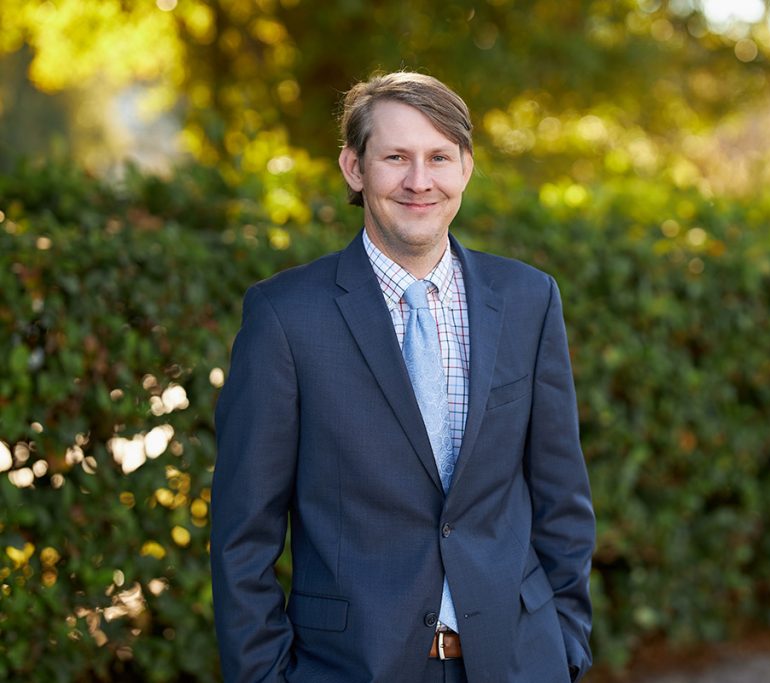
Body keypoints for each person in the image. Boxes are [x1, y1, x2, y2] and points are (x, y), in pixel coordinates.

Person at [210, 71, 595, 682]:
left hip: (518, 663)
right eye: (395, 157)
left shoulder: (528, 299)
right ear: (354, 168)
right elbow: (243, 533)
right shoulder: (285, 317)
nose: (420, 180)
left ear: (465, 168)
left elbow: (562, 497)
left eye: (439, 156)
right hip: (350, 667)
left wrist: (565, 643)